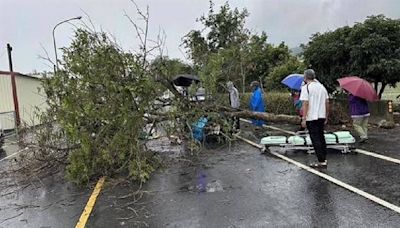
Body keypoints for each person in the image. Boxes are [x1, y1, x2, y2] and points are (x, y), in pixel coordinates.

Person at [300, 69, 329, 168]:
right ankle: (324, 158)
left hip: (311, 117)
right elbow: (327, 102)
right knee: (321, 137)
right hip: (321, 115)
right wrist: (326, 115)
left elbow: (305, 103)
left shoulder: (306, 88)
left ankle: (321, 161)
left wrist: (304, 118)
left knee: (315, 139)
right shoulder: (322, 87)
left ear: (305, 77)